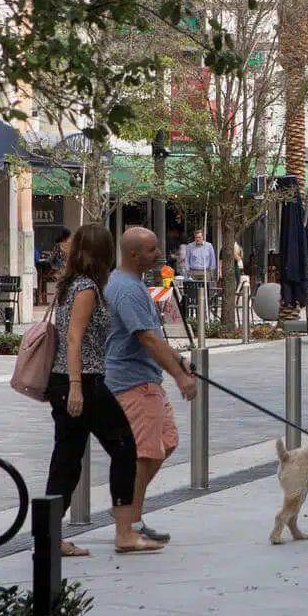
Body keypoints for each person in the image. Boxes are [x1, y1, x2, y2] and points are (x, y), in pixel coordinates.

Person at [42, 224, 159, 556]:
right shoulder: (86, 288)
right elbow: (74, 338)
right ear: (104, 253)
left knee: (67, 459)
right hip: (84, 381)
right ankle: (124, 532)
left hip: (68, 381)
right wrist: (77, 387)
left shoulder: (71, 284)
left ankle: (49, 535)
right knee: (124, 447)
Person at [105, 227, 198, 543]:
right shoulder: (127, 289)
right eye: (151, 249)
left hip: (147, 380)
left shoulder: (134, 283)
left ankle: (128, 509)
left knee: (166, 442)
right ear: (133, 254)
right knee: (145, 453)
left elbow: (154, 336)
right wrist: (181, 377)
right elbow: (146, 338)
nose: (158, 254)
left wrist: (178, 360)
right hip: (133, 383)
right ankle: (128, 521)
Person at [180, 228, 217, 321]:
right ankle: (194, 314)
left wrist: (212, 274)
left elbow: (212, 260)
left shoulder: (209, 246)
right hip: (193, 272)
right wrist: (188, 272)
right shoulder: (190, 246)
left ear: (203, 237)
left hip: (205, 271)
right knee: (193, 294)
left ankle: (205, 313)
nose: (198, 239)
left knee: (206, 294)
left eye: (200, 237)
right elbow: (187, 260)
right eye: (196, 237)